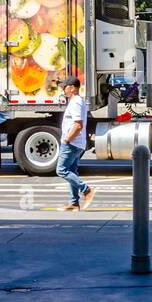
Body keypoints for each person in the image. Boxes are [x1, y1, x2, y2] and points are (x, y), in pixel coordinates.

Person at [55, 77, 94, 211]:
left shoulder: (76, 102)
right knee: (71, 171)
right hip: (76, 142)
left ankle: (86, 190)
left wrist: (67, 139)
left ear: (72, 87)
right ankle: (74, 203)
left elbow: (78, 125)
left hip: (72, 142)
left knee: (61, 170)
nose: (63, 90)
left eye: (64, 87)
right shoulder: (77, 101)